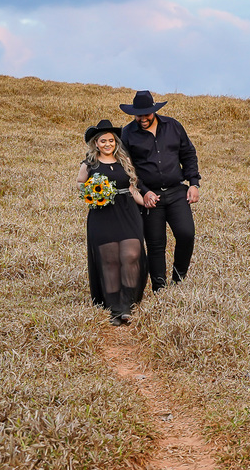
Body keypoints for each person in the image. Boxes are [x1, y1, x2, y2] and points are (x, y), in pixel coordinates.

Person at [119, 90, 201, 291]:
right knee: (156, 244)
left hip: (176, 192)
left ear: (154, 111)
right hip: (149, 196)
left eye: (146, 115)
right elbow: (127, 168)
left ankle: (178, 280)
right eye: (138, 115)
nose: (143, 119)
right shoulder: (128, 133)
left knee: (186, 234)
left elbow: (188, 154)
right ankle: (159, 288)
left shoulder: (173, 126)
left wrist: (194, 183)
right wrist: (144, 191)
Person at [77, 120, 148, 325]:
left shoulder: (124, 161)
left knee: (131, 254)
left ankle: (127, 304)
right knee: (109, 261)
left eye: (111, 140)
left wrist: (147, 202)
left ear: (115, 142)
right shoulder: (89, 164)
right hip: (102, 215)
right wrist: (91, 192)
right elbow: (80, 184)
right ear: (96, 143)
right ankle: (115, 308)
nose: (107, 144)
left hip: (127, 212)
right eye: (103, 141)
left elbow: (133, 188)